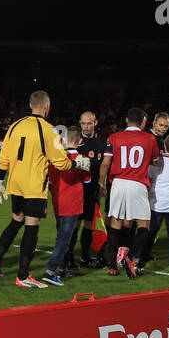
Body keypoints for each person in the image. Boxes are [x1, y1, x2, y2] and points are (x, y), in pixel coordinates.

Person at [0, 91, 87, 288]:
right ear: (47, 106)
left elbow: (3, 157)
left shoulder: (15, 125)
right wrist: (78, 164)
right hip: (34, 188)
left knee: (16, 222)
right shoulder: (49, 130)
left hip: (15, 185)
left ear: (30, 105)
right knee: (31, 229)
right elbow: (60, 163)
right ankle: (23, 276)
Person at [99, 107, 161, 279]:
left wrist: (102, 183)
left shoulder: (114, 137)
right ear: (143, 122)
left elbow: (105, 163)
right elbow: (155, 162)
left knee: (115, 224)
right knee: (144, 226)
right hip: (137, 183)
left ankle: (112, 266)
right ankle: (129, 257)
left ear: (126, 120)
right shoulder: (150, 138)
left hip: (118, 183)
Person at [41, 126, 89, 286]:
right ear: (80, 141)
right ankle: (50, 271)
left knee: (61, 236)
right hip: (73, 204)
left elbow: (51, 181)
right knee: (64, 239)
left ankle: (62, 267)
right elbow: (88, 180)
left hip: (58, 202)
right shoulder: (81, 158)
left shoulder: (57, 159)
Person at [139, 133, 169, 274]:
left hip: (157, 203)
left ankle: (140, 260)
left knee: (149, 233)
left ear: (164, 146)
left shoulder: (158, 161)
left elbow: (149, 178)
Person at [72, 111, 108, 268]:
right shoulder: (75, 143)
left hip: (93, 191)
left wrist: (102, 184)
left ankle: (85, 257)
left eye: (89, 123)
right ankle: (68, 257)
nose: (86, 127)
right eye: (83, 123)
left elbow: (104, 167)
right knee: (75, 225)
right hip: (76, 192)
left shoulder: (102, 143)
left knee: (88, 224)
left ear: (96, 123)